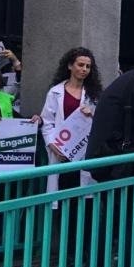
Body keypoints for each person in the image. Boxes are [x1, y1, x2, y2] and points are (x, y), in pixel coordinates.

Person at [41, 47, 102, 198]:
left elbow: (102, 122)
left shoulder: (94, 94)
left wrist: (92, 115)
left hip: (83, 150)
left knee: (83, 198)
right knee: (62, 193)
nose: (84, 69)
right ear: (70, 66)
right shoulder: (55, 92)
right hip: (61, 152)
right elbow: (47, 122)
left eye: (88, 66)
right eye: (80, 65)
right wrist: (53, 146)